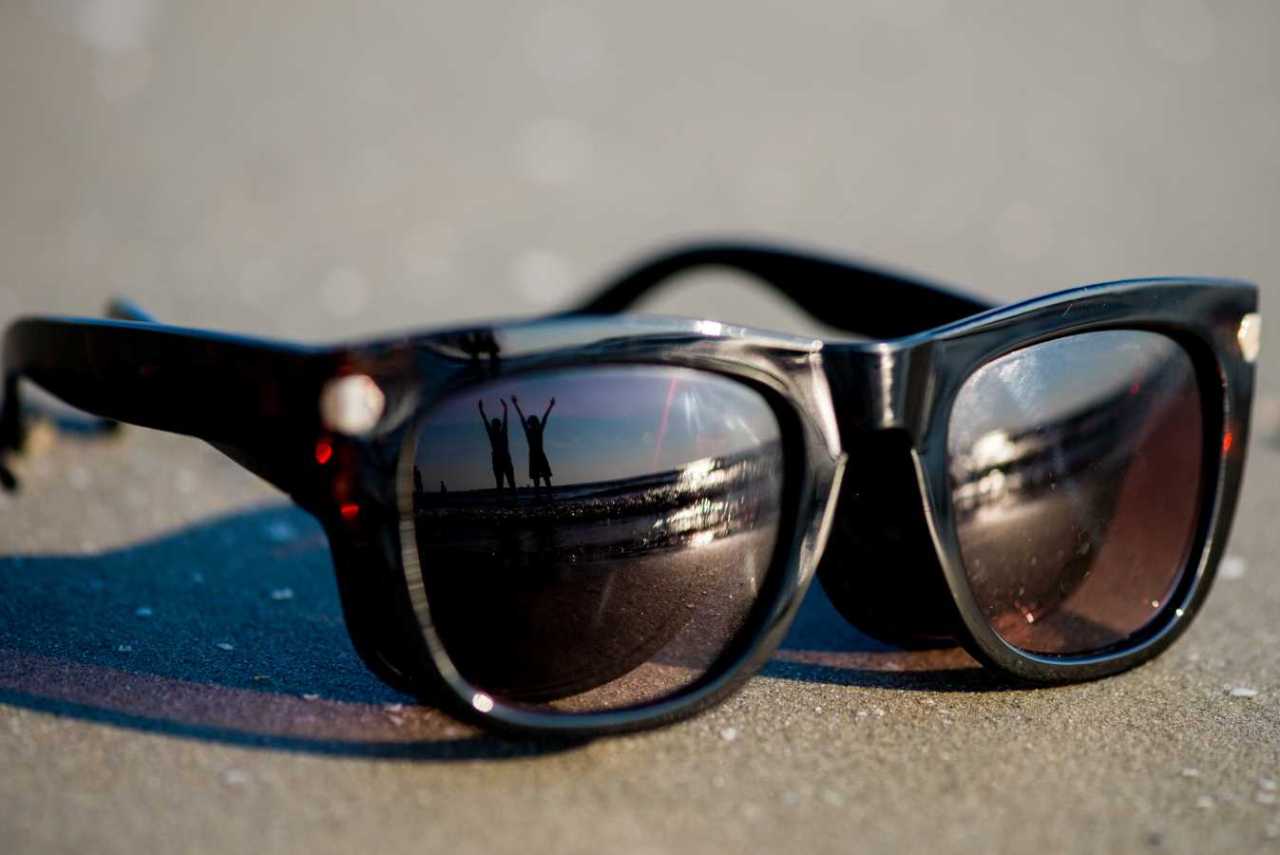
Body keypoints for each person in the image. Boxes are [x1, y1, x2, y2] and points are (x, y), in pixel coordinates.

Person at [512, 395, 555, 496]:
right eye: (531, 422)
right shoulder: (530, 431)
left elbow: (544, 418)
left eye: (532, 421)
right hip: (534, 455)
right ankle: (540, 496)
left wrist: (550, 406)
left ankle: (547, 495)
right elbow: (522, 417)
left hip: (539, 454)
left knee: (545, 477)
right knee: (538, 479)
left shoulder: (537, 430)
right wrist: (515, 404)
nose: (531, 423)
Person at [478, 399, 516, 496]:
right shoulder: (493, 433)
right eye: (493, 424)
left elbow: (504, 420)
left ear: (498, 425)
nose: (494, 425)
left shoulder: (502, 432)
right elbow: (485, 420)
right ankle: (504, 499)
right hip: (499, 458)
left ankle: (513, 498)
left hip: (504, 458)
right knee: (501, 481)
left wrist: (505, 408)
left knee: (508, 480)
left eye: (495, 424)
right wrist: (481, 410)